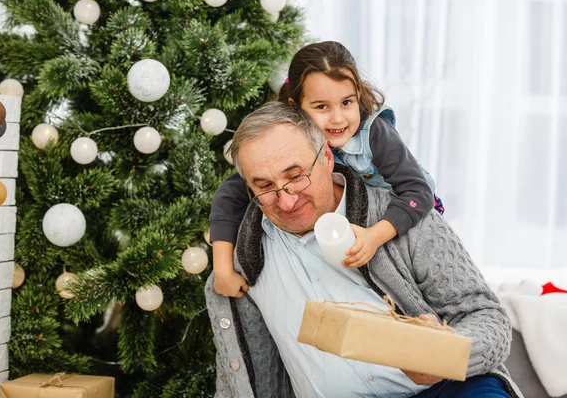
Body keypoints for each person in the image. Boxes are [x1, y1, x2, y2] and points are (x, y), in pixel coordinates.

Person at [204, 101, 522, 398]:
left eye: (296, 176)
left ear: (327, 158)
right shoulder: (237, 266)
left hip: (446, 390)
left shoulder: (402, 219)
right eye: (265, 187)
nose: (286, 201)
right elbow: (236, 376)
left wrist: (443, 354)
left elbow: (489, 319)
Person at [210, 41, 444, 299]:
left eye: (346, 102)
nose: (337, 119)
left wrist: (375, 236)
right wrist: (222, 269)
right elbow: (231, 193)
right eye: (322, 107)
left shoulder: (375, 133)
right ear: (294, 106)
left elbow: (418, 191)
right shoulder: (292, 141)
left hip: (404, 216)